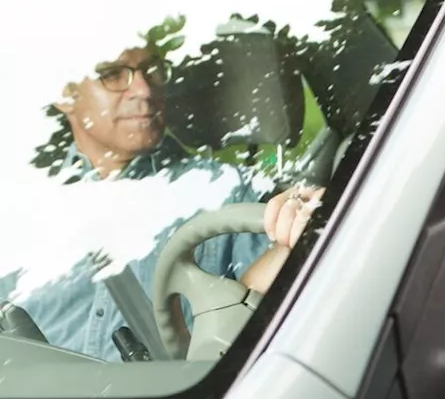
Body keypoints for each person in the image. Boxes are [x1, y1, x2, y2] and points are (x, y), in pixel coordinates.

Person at [0, 46, 315, 361]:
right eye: (112, 74)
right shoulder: (23, 208)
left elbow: (257, 308)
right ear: (65, 95)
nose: (144, 89)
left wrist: (294, 237)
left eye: (152, 71)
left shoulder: (220, 190)